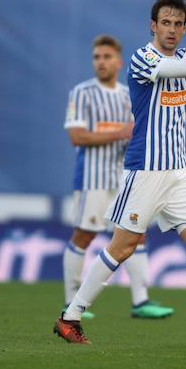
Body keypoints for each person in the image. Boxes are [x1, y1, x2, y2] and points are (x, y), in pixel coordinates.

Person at [54, 0, 186, 349]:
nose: (173, 29)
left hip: (179, 173)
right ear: (153, 25)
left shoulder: (183, 56)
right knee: (122, 247)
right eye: (167, 22)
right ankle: (70, 317)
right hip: (145, 171)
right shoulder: (142, 59)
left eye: (179, 23)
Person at [63, 35, 174, 320]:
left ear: (119, 61)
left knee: (136, 236)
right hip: (93, 179)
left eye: (106, 57)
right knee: (84, 235)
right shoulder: (81, 93)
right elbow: (77, 136)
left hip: (125, 177)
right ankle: (71, 300)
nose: (101, 62)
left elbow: (138, 132)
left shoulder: (130, 94)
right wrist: (119, 132)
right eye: (97, 57)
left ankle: (141, 301)